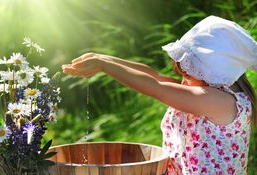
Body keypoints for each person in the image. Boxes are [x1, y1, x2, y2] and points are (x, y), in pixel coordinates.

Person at [62, 15, 257, 174]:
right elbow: (154, 75)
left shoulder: (219, 102)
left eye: (188, 73)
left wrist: (104, 66)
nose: (183, 81)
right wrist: (102, 58)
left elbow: (155, 86)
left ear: (211, 71)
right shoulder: (211, 93)